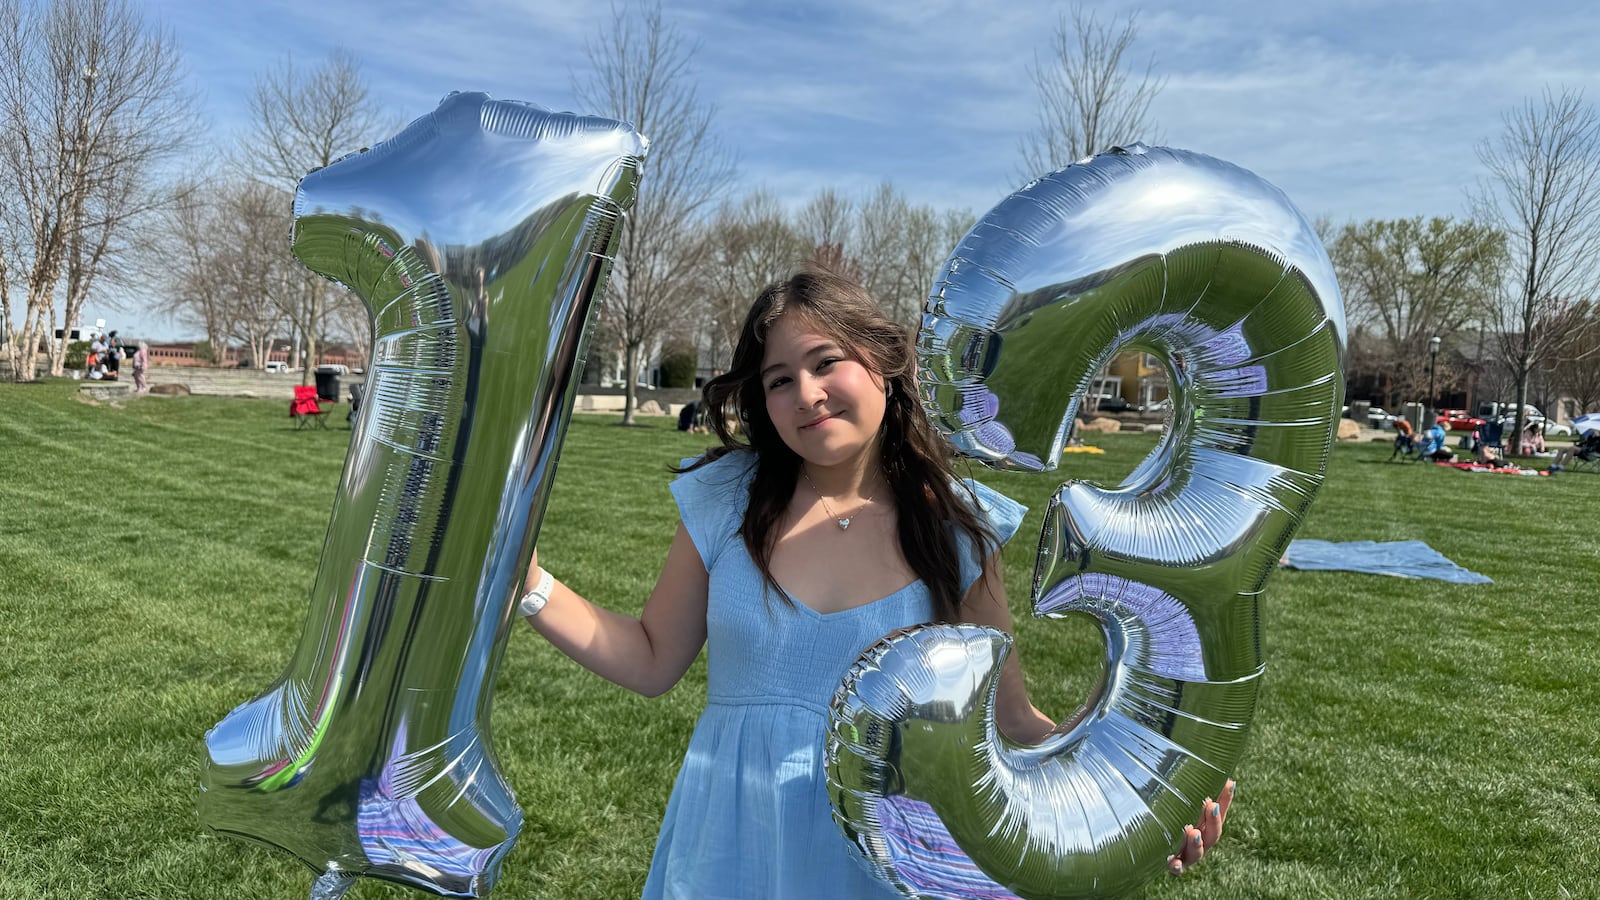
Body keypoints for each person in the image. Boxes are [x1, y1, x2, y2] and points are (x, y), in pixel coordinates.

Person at [516, 270, 1230, 897]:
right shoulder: (724, 500)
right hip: (733, 842)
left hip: (889, 852)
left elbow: (1010, 723)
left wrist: (1144, 806)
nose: (807, 393)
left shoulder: (958, 529)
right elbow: (648, 659)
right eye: (779, 380)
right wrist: (531, 583)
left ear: (885, 364)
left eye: (828, 362)